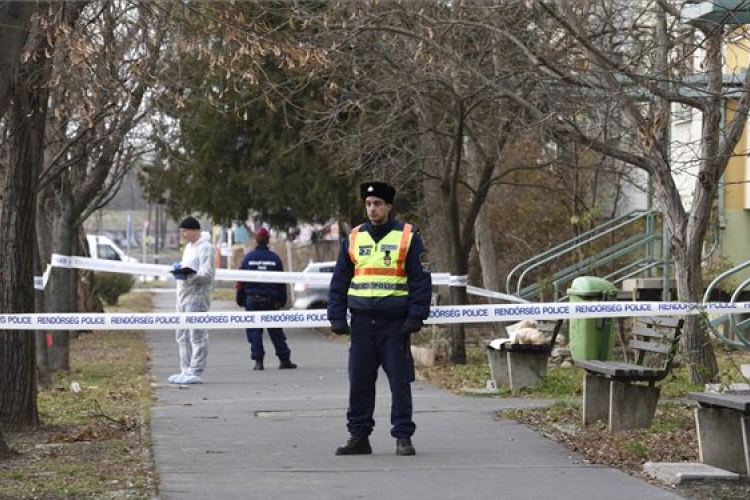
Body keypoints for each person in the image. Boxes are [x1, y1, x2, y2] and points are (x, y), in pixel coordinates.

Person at [328, 181, 432, 456]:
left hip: (395, 324)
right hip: (361, 322)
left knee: (399, 382)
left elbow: (421, 281)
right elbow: (340, 281)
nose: (372, 209)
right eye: (368, 204)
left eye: (377, 204)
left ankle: (403, 437)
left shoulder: (408, 236)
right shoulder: (354, 237)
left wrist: (416, 316)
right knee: (359, 381)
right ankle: (359, 436)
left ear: (388, 206)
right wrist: (336, 315)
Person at [238, 227, 297, 371]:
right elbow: (281, 283)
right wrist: (282, 300)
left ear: (256, 240)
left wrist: (240, 299)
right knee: (276, 331)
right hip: (271, 301)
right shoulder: (275, 259)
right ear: (268, 240)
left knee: (254, 332)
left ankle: (258, 362)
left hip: (252, 300)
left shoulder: (248, 258)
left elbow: (240, 282)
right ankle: (284, 360)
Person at [168, 216, 216, 385]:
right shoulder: (188, 247)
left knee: (197, 334)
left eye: (185, 231)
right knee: (182, 334)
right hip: (183, 295)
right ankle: (185, 369)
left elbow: (208, 274)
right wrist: (180, 269)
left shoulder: (206, 248)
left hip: (197, 296)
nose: (183, 234)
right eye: (181, 231)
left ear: (195, 230)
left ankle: (196, 370)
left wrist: (191, 277)